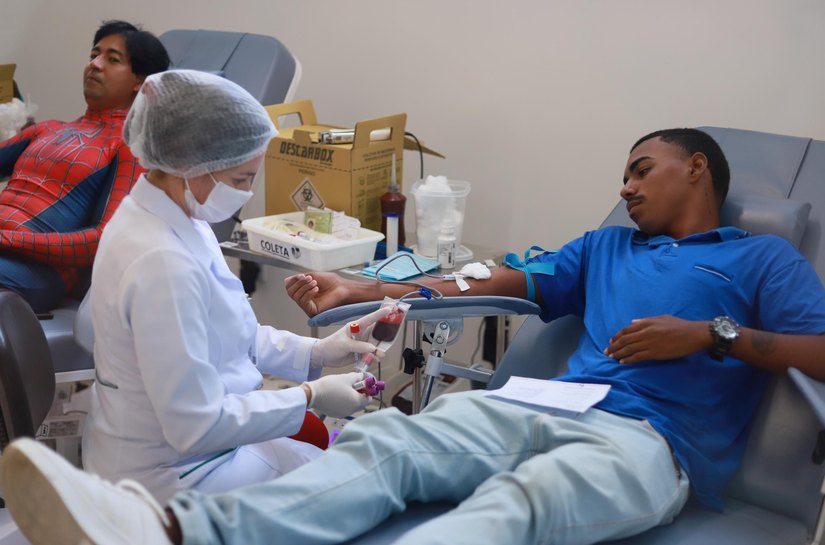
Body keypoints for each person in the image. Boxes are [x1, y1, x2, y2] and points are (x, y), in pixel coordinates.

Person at [4, 128, 825, 545]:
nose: (625, 184)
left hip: (650, 440)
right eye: (624, 173)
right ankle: (167, 531)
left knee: (525, 501)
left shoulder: (759, 259)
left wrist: (711, 334)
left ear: (696, 168)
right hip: (544, 402)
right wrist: (366, 288)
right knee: (389, 442)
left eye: (642, 168)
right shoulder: (606, 246)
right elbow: (486, 279)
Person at [76, 69, 388, 503]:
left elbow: (227, 335)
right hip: (173, 478)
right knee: (359, 494)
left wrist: (316, 352)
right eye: (240, 179)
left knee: (343, 472)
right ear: (188, 164)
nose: (246, 193)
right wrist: (310, 395)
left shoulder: (178, 215)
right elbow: (194, 424)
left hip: (197, 451)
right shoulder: (161, 261)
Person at [0, 20, 169, 313]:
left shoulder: (129, 148)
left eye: (112, 59)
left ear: (139, 81)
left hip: (40, 271)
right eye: (94, 55)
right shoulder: (47, 129)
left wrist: (7, 239)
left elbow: (106, 238)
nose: (95, 64)